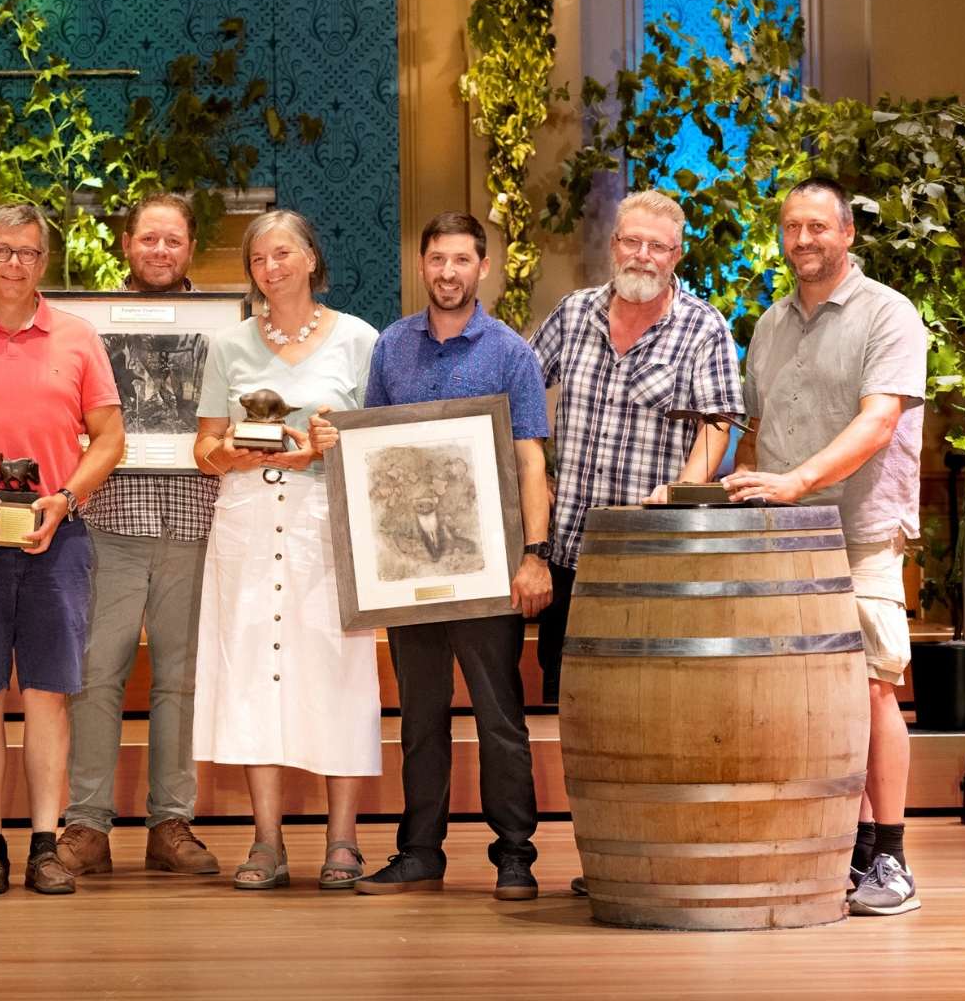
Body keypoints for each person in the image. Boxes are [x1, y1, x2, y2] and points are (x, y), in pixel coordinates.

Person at [723, 176, 928, 917]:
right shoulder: (770, 324)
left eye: (817, 226)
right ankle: (847, 846)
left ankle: (892, 858)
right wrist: (739, 496)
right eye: (791, 227)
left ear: (847, 233)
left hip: (861, 530)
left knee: (872, 686)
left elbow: (879, 422)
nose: (803, 239)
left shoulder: (889, 315)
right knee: (808, 692)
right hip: (783, 536)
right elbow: (754, 430)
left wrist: (797, 482)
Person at [0, 201, 126, 896]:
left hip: (56, 539)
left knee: (47, 696)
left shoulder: (78, 338)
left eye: (29, 252)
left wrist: (65, 497)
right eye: (2, 250)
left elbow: (109, 438)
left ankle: (44, 845)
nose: (14, 263)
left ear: (45, 261)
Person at [354, 210, 552, 902]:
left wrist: (535, 555)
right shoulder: (391, 348)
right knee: (420, 718)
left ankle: (515, 855)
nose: (448, 272)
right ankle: (419, 853)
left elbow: (530, 460)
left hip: (489, 568)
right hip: (407, 572)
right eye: (437, 259)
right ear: (422, 264)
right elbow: (372, 455)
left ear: (482, 268)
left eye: (461, 260)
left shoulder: (510, 354)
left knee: (500, 718)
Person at [189, 208, 382, 891]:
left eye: (282, 254)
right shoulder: (228, 345)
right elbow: (204, 448)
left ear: (310, 259)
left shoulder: (360, 340)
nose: (269, 268)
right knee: (251, 670)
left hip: (325, 522)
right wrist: (232, 453)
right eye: (257, 259)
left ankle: (343, 840)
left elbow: (378, 444)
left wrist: (334, 444)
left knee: (339, 670)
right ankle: (266, 841)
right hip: (246, 517)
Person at [57, 193, 221, 878]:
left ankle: (170, 823)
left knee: (181, 680)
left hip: (195, 520)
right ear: (125, 244)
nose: (160, 251)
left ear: (191, 249)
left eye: (172, 240)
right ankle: (87, 824)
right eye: (148, 238)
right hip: (108, 521)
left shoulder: (221, 329)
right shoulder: (86, 330)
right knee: (96, 674)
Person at [529, 190, 745, 703]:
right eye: (632, 242)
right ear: (614, 245)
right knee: (565, 701)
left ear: (676, 256)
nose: (643, 256)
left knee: (648, 704)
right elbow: (521, 394)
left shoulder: (703, 326)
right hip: (570, 555)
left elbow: (718, 423)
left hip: (653, 560)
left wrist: (682, 491)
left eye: (657, 246)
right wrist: (535, 477)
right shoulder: (573, 313)